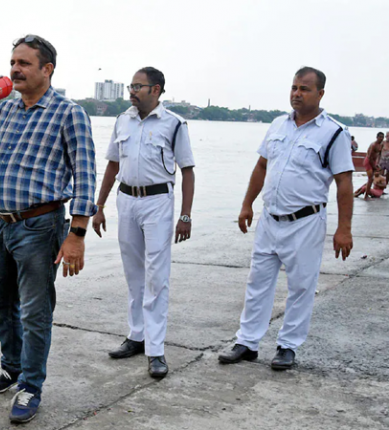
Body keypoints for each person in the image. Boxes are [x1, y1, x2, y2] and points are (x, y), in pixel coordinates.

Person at [0, 34, 96, 423]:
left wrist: (77, 235)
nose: (14, 69)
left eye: (24, 63)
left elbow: (86, 175)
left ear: (47, 69)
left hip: (40, 227)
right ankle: (12, 369)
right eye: (12, 62)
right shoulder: (2, 108)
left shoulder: (68, 113)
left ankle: (31, 386)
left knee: (35, 311)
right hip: (0, 224)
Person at [218, 67, 353, 371]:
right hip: (270, 219)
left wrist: (344, 229)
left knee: (301, 286)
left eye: (304, 89)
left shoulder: (334, 132)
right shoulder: (278, 125)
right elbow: (262, 167)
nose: (296, 93)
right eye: (294, 87)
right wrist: (246, 204)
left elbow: (345, 183)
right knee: (258, 282)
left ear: (320, 94)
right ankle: (247, 342)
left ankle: (288, 346)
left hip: (306, 222)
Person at [92, 67, 195, 379]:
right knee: (133, 273)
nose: (132, 91)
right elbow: (112, 164)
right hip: (127, 201)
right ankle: (136, 336)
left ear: (157, 90)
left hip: (157, 202)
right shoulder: (123, 120)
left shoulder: (174, 124)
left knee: (156, 276)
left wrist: (185, 216)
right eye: (130, 86)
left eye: (138, 86)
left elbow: (187, 170)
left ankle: (156, 349)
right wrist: (99, 207)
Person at [363, 132, 383, 200]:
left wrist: (377, 164)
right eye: (380, 137)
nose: (381, 138)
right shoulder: (373, 145)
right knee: (370, 179)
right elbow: (369, 157)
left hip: (374, 161)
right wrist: (374, 166)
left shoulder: (381, 145)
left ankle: (362, 192)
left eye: (382, 137)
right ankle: (366, 196)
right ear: (377, 137)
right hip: (368, 161)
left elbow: (378, 155)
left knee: (370, 179)